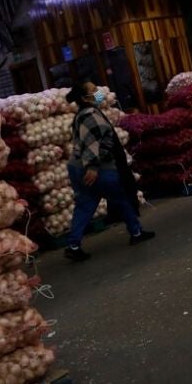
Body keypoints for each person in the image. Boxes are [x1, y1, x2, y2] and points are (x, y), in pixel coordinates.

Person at [64, 82, 154, 261]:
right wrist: (92, 167)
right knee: (121, 198)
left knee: (85, 204)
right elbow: (93, 144)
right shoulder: (91, 115)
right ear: (85, 98)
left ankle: (73, 245)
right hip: (98, 170)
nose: (98, 92)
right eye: (93, 91)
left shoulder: (83, 114)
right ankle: (136, 233)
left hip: (77, 167)